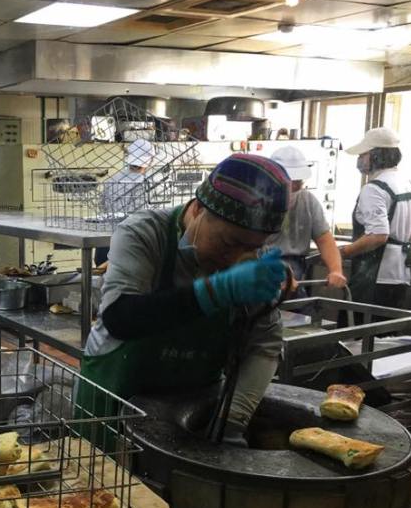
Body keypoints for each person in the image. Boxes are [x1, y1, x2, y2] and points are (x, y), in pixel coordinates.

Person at [77, 154, 291, 446]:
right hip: (112, 403)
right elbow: (120, 317)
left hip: (188, 413)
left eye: (251, 247)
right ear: (199, 207)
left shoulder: (250, 259)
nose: (236, 258)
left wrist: (231, 422)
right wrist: (216, 292)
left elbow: (264, 343)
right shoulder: (145, 233)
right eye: (229, 242)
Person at [340, 127, 411, 309]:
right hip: (401, 275)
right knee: (387, 335)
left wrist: (344, 252)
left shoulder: (374, 188)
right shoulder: (408, 185)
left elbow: (378, 236)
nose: (359, 159)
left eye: (363, 154)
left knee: (357, 333)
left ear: (376, 156)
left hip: (374, 276)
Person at [265, 146, 347, 295]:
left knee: (301, 313)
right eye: (290, 183)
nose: (294, 187)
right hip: (262, 269)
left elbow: (325, 240)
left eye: (297, 183)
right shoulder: (257, 201)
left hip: (295, 270)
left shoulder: (307, 200)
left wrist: (336, 270)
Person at [95, 139, 154, 266]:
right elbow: (140, 216)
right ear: (149, 160)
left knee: (101, 282)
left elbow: (103, 205)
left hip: (104, 242)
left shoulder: (112, 179)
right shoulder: (142, 184)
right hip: (125, 245)